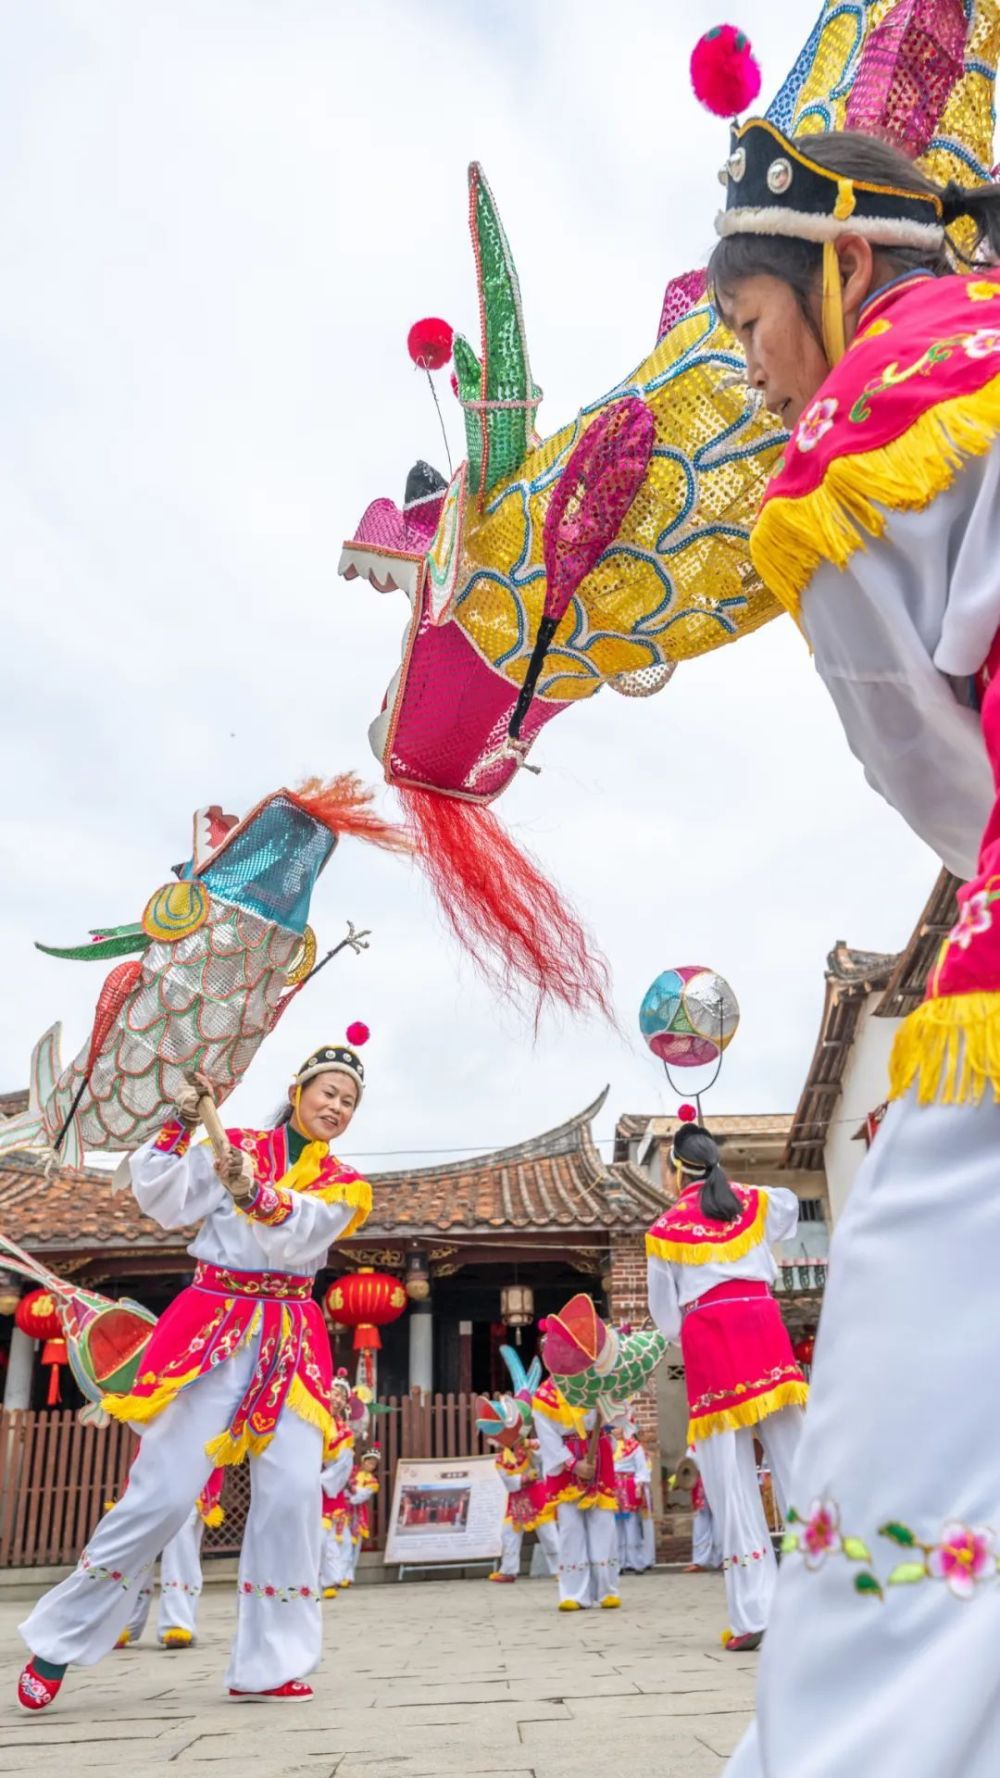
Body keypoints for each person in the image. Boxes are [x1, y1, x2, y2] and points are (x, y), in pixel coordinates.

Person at [700, 113, 1000, 1775]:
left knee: (907, 1422)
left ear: (841, 260)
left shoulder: (885, 415)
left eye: (749, 326)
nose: (752, 374)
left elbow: (926, 763)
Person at [17, 1038, 373, 1712]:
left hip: (291, 1339)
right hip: (213, 1324)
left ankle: (270, 1664)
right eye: (328, 1091)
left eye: (349, 1102)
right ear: (298, 1090)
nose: (337, 1107)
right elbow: (162, 1194)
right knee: (164, 1494)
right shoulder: (229, 1141)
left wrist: (255, 1193)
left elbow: (300, 1232)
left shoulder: (346, 1184)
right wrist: (182, 1123)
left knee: (296, 1496)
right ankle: (56, 1641)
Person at [646, 1122, 806, 1651]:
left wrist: (687, 1333)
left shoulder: (666, 1228)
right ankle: (829, 1592)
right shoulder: (753, 1201)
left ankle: (755, 1613)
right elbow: (788, 1208)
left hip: (710, 1333)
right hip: (763, 1322)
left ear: (674, 1170)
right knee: (797, 1455)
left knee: (728, 1475)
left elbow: (665, 1314)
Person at [532, 1378, 620, 1611]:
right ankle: (574, 1593)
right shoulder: (545, 1394)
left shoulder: (597, 1380)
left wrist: (612, 1407)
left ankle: (606, 1590)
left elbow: (620, 1417)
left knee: (603, 1523)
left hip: (598, 1451)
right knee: (570, 1528)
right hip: (564, 1460)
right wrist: (572, 1464)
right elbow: (547, 1436)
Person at [116, 1469, 226, 1649]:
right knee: (137, 1541)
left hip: (194, 1472)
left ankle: (178, 1623)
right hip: (155, 1470)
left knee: (180, 1541)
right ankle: (121, 1623)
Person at [488, 1432, 559, 1583]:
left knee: (549, 1535)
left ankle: (561, 1569)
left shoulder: (528, 1447)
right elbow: (508, 1482)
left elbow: (546, 1450)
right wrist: (525, 1478)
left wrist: (529, 1444)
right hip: (516, 1501)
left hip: (537, 1496)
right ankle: (508, 1571)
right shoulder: (500, 1460)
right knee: (508, 1535)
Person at [613, 1422, 655, 1574]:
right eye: (613, 1428)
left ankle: (636, 1561)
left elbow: (642, 1469)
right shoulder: (609, 1445)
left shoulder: (635, 1447)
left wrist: (639, 1485)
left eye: (617, 1427)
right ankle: (619, 1562)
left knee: (631, 1523)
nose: (615, 1431)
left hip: (629, 1485)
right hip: (613, 1486)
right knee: (616, 1524)